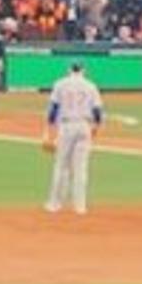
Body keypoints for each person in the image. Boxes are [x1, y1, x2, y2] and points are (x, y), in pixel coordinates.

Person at [42, 60, 103, 215]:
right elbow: (97, 111)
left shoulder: (60, 84)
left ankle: (54, 204)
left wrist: (49, 133)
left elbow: (53, 110)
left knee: (61, 166)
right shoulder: (90, 85)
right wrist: (95, 127)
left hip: (67, 126)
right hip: (84, 126)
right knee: (81, 168)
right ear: (83, 70)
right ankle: (80, 206)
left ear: (69, 70)